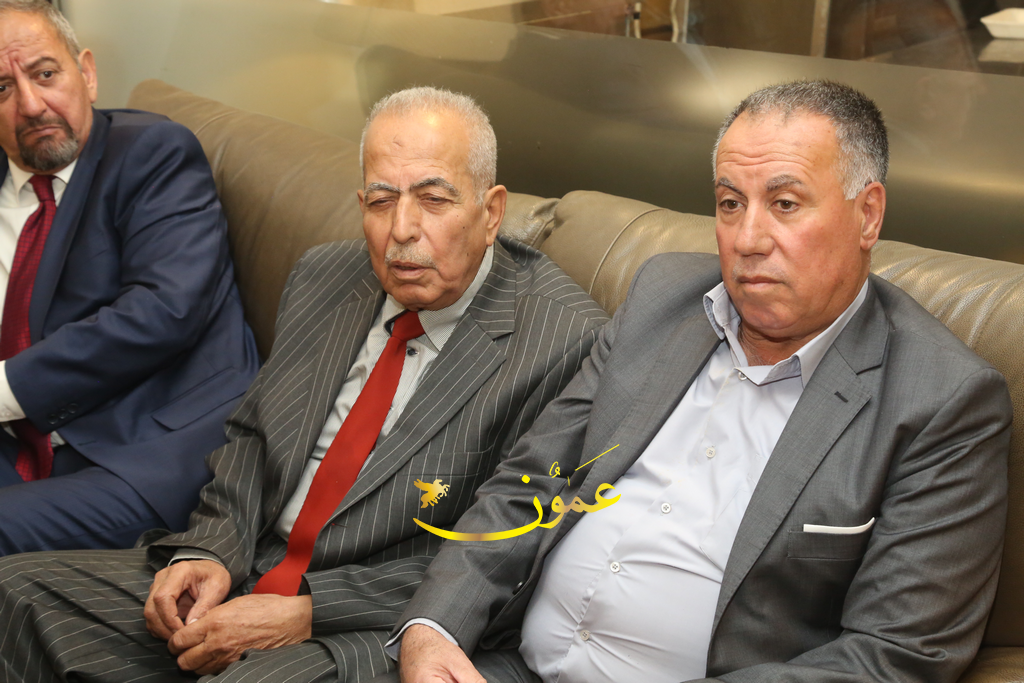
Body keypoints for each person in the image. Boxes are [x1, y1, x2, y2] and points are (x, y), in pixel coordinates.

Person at [388, 80, 1013, 683]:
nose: (748, 239)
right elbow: (530, 483)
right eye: (730, 203)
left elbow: (893, 657)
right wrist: (433, 627)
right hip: (501, 663)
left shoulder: (942, 400)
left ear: (867, 214)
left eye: (785, 204)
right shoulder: (662, 299)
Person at [0, 85, 608, 682]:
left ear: (491, 211)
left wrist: (308, 612)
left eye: (433, 199)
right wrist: (209, 550)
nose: (402, 229)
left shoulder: (562, 338)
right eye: (380, 201)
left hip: (365, 618)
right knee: (15, 593)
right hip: (249, 566)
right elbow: (252, 439)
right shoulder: (326, 276)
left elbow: (509, 545)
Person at [0, 0, 258, 553]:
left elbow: (162, 313)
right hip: (24, 440)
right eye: (1, 88)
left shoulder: (151, 153)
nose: (31, 104)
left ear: (87, 74)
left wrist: (4, 390)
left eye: (45, 74)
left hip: (144, 450)